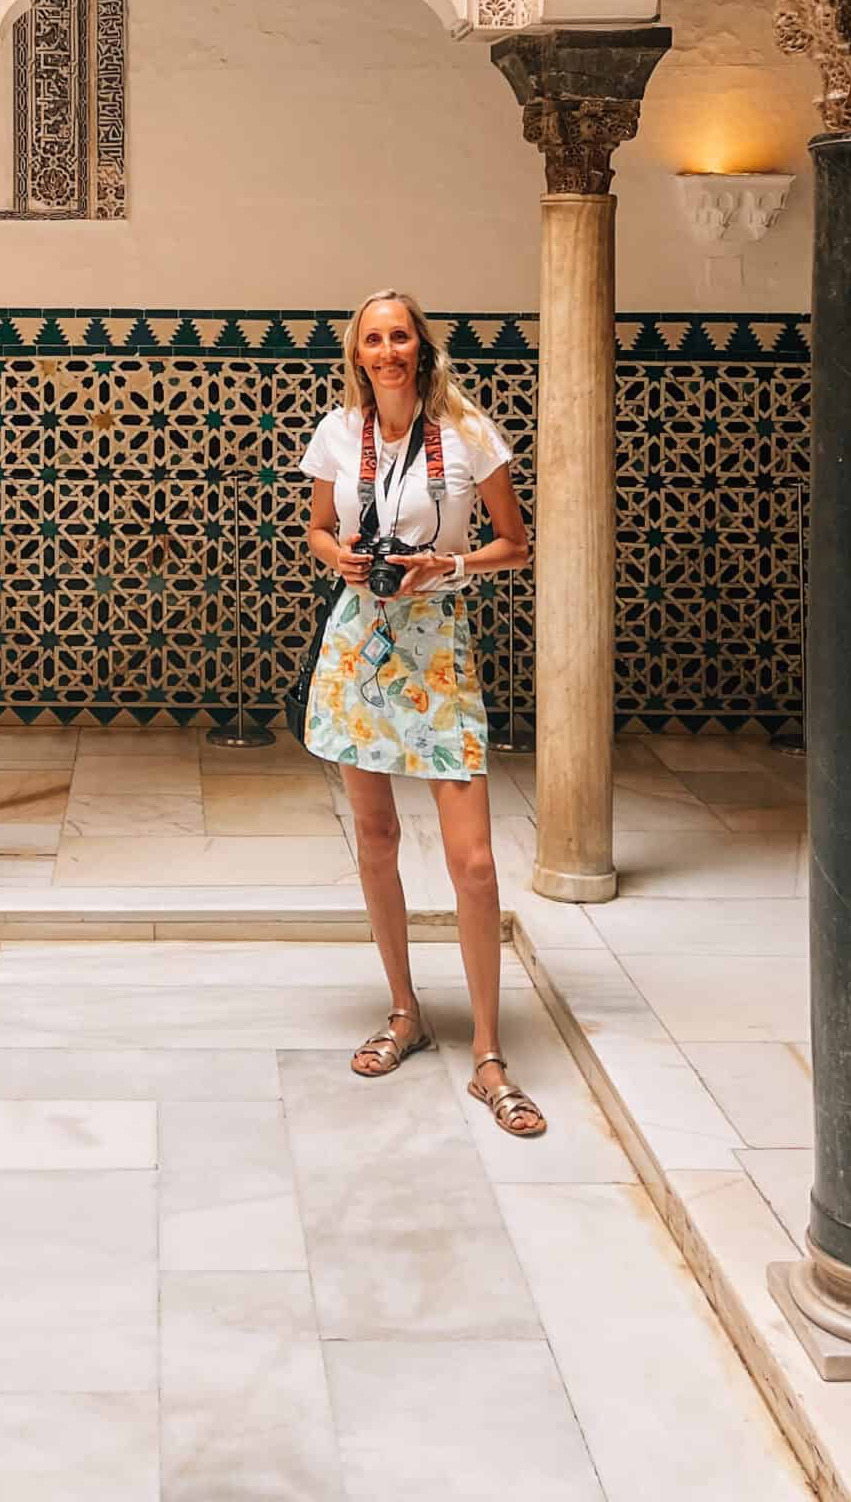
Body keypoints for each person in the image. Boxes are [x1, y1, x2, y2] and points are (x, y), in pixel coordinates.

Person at [301, 289, 544, 1132]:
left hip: (437, 646)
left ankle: (487, 1053)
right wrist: (346, 559)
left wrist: (447, 566)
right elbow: (320, 529)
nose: (388, 350)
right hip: (360, 644)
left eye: (400, 336)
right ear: (357, 354)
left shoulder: (470, 434)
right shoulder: (338, 433)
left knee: (474, 863)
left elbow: (516, 543)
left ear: (421, 347)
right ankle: (404, 1011)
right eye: (374, 339)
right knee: (375, 841)